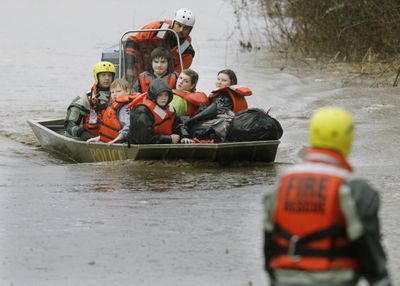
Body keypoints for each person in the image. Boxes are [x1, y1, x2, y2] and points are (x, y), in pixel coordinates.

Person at [263, 107, 392, 286]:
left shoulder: (281, 185)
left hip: (284, 279)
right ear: (348, 138)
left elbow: (269, 248)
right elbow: (369, 252)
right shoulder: (354, 189)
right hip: (335, 279)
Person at [124, 8, 195, 84]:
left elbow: (178, 75)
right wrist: (129, 69)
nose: (181, 30)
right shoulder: (157, 28)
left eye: (186, 28)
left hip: (163, 79)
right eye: (179, 25)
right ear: (173, 23)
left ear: (190, 30)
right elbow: (132, 41)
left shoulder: (187, 52)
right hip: (139, 67)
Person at [128, 78, 192, 144]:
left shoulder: (170, 108)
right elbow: (142, 139)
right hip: (141, 148)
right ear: (153, 95)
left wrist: (184, 136)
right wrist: (168, 139)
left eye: (166, 95)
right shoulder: (142, 111)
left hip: (162, 145)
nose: (163, 98)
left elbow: (178, 124)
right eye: (160, 95)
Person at [64, 61, 115, 141]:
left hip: (113, 137)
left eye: (109, 75)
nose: (107, 78)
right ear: (97, 77)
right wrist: (81, 133)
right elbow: (69, 124)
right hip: (90, 138)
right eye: (103, 75)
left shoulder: (120, 95)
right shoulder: (86, 98)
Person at [184, 69, 252, 127]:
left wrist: (189, 122)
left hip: (224, 127)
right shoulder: (233, 94)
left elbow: (208, 113)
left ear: (232, 83)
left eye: (224, 80)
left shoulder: (224, 98)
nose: (219, 82)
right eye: (218, 79)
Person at [87, 78, 133, 144]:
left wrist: (117, 138)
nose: (114, 94)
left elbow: (128, 125)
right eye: (112, 92)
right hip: (117, 138)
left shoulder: (125, 107)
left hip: (124, 140)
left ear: (127, 91)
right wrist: (100, 138)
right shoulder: (117, 105)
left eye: (118, 91)